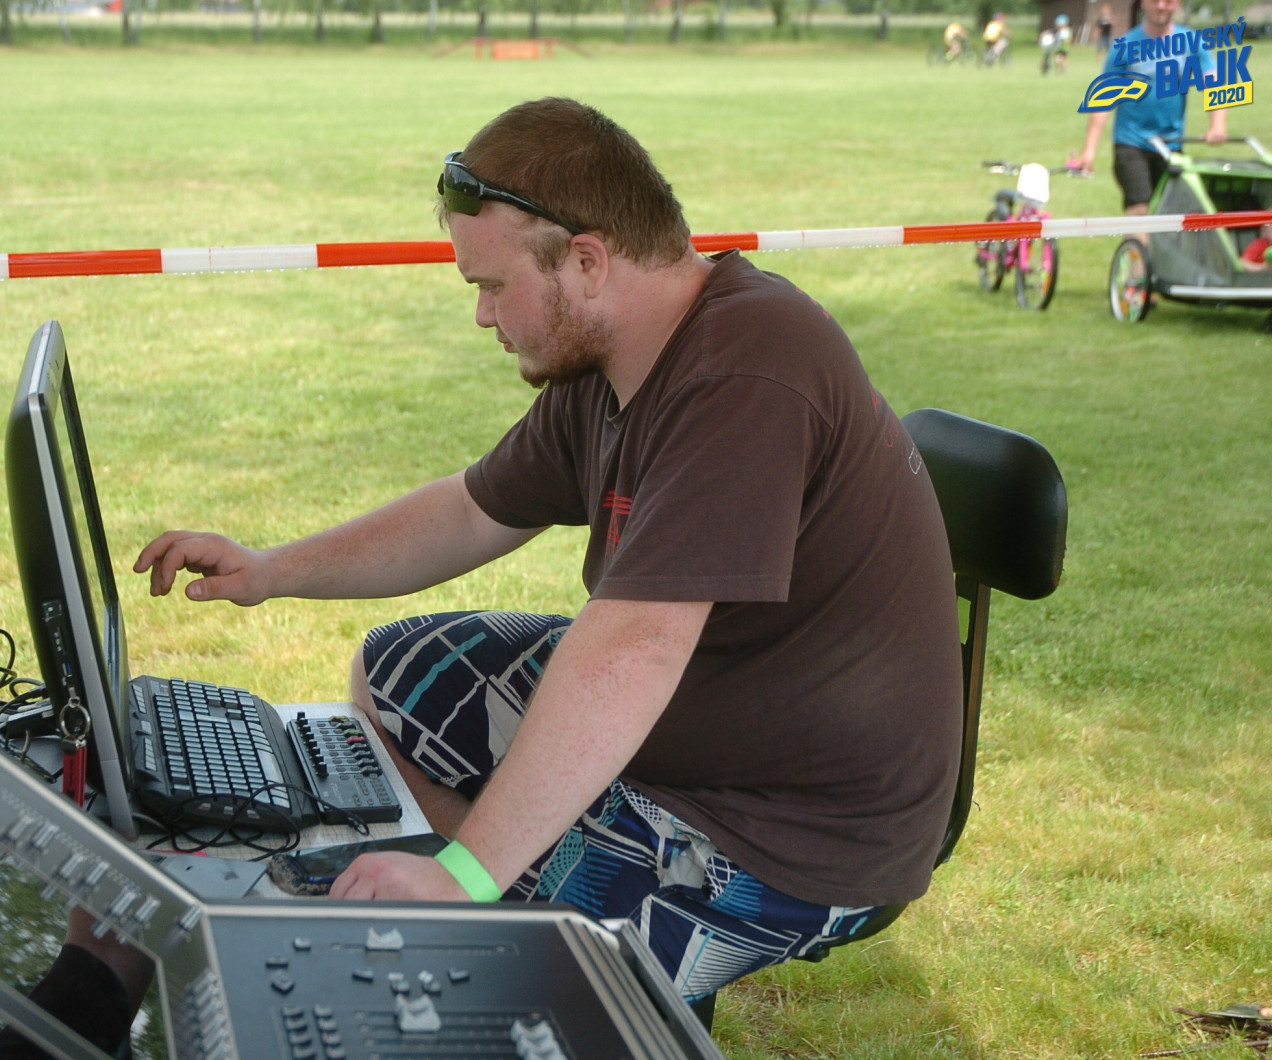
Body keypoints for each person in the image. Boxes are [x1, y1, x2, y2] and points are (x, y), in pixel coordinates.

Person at [135, 98, 964, 1003]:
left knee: (507, 972)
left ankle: (508, 893)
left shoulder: (747, 365)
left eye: (493, 286)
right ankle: (515, 864)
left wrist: (466, 877)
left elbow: (637, 646)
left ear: (587, 262)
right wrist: (272, 569)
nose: (482, 315)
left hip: (794, 829)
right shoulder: (615, 360)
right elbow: (470, 511)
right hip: (707, 722)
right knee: (396, 676)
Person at [1075, 0, 1228, 217]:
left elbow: (1214, 83)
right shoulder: (1125, 46)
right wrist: (1089, 150)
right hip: (1132, 142)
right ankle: (1136, 239)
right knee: (1139, 209)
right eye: (1155, 0)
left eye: (1168, 1)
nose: (1161, 6)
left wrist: (1217, 125)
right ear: (1143, 3)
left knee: (1170, 216)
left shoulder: (1191, 43)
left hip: (1171, 144)